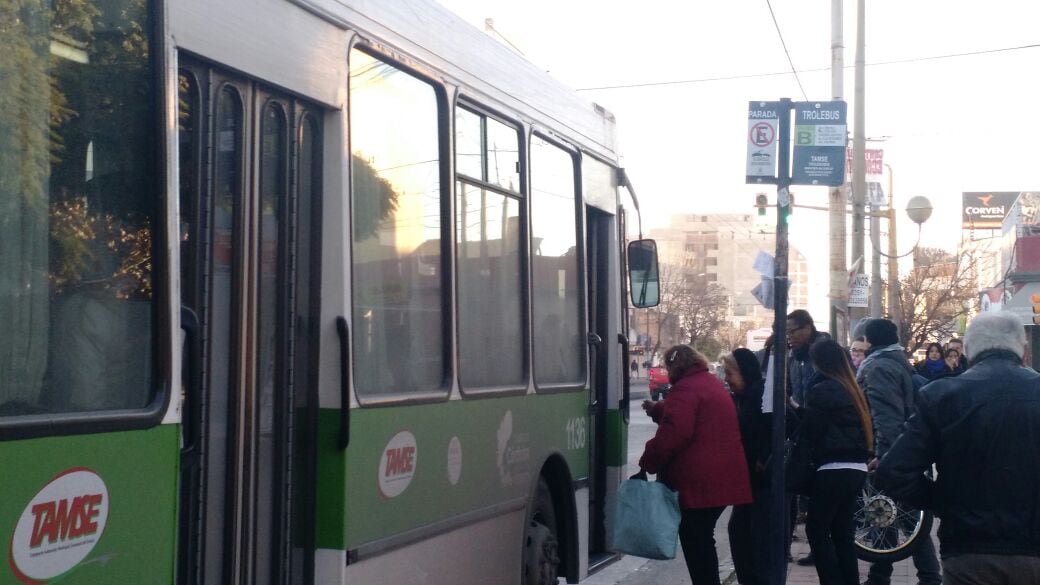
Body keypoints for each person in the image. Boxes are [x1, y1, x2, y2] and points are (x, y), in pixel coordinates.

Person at [876, 313, 1040, 585]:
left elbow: (894, 472)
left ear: (968, 350)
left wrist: (943, 501)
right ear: (1023, 351)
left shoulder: (942, 396)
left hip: (969, 550)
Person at [638, 345, 752, 585]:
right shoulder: (706, 383)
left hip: (701, 482)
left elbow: (676, 432)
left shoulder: (685, 389)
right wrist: (658, 409)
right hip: (722, 477)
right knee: (700, 536)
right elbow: (693, 415)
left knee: (695, 538)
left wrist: (648, 460)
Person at [857, 318, 942, 585]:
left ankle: (927, 577)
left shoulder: (879, 366)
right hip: (902, 448)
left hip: (890, 451)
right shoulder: (896, 361)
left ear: (869, 340)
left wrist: (885, 457)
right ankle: (883, 575)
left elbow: (885, 414)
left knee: (904, 516)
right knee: (890, 514)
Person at [801, 339, 873, 585]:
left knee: (817, 530)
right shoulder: (854, 389)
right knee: (843, 532)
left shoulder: (821, 390)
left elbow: (811, 432)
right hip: (856, 468)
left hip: (832, 468)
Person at [722, 349, 772, 585]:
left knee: (746, 534)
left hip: (761, 482)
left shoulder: (760, 396)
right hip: (749, 481)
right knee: (739, 531)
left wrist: (764, 456)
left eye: (730, 373)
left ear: (745, 371)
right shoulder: (745, 397)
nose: (726, 379)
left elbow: (781, 426)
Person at [786, 309, 829, 566]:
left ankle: (823, 548)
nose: (789, 337)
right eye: (786, 332)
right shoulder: (794, 357)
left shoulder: (822, 353)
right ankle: (818, 547)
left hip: (822, 430)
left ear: (808, 328)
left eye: (793, 331)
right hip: (802, 426)